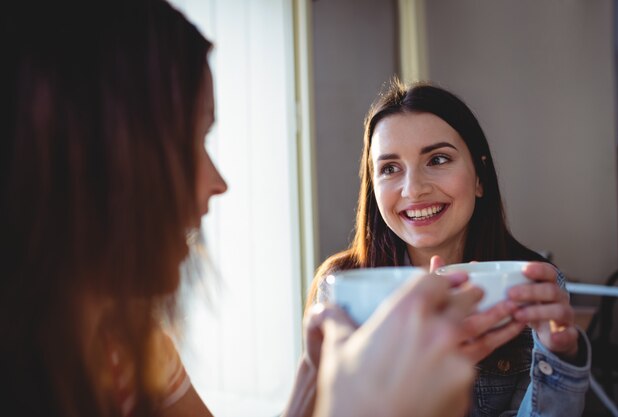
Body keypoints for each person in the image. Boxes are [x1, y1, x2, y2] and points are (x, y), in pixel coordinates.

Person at [1, 2, 479, 416]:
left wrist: (307, 394)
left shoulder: (137, 348)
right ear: (82, 156)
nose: (219, 182)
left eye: (438, 159)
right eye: (189, 142)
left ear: (480, 176)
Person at [306, 80, 592, 417]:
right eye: (390, 168)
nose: (413, 190)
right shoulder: (342, 284)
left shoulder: (531, 284)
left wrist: (560, 359)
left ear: (480, 177)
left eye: (438, 159)